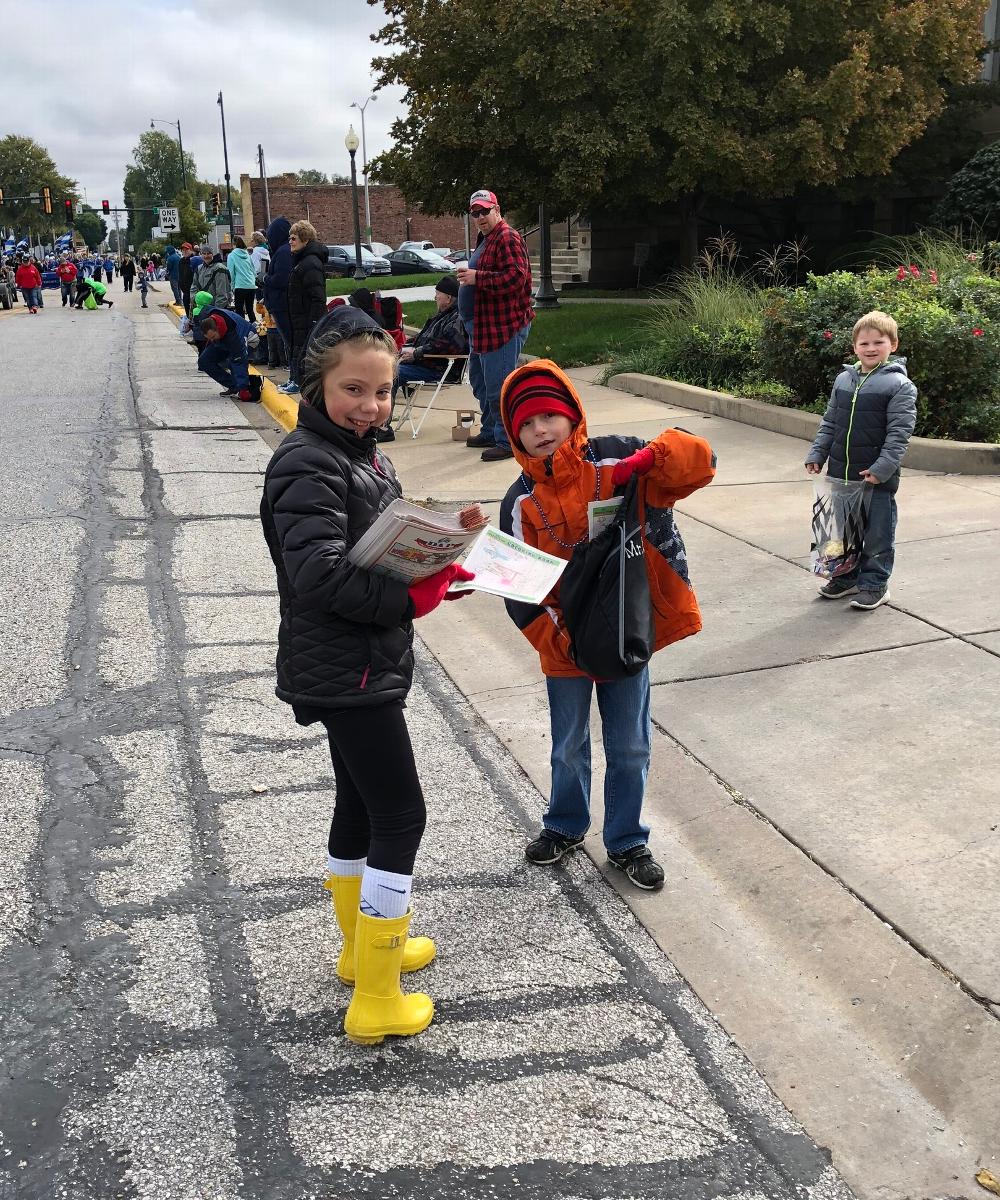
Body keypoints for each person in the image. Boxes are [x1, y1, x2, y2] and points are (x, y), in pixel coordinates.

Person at [259, 306, 476, 1045]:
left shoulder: (364, 454)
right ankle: (379, 997)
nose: (371, 405)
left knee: (358, 806)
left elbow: (376, 542)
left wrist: (441, 556)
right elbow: (318, 576)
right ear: (317, 382)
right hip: (343, 665)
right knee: (401, 816)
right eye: (354, 389)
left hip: (360, 661)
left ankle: (361, 952)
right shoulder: (305, 460)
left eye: (383, 391)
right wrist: (414, 594)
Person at [497, 360, 716, 890]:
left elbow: (698, 465)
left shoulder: (617, 457)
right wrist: (561, 639)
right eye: (527, 423)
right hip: (563, 643)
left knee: (631, 744)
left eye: (550, 415)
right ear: (514, 434)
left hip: (625, 630)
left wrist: (653, 457)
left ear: (574, 417)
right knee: (566, 743)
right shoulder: (520, 502)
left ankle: (626, 839)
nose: (540, 430)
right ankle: (566, 825)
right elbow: (520, 591)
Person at [805, 310, 917, 611]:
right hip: (841, 472)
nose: (870, 348)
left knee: (877, 533)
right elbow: (830, 422)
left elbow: (899, 435)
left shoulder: (899, 386)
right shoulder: (844, 379)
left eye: (878, 342)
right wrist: (818, 453)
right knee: (843, 532)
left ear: (893, 344)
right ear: (854, 347)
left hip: (876, 478)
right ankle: (846, 577)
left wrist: (881, 469)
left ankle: (875, 585)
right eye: (864, 343)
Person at [457, 189, 534, 462]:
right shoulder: (486, 239)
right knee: (479, 383)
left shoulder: (508, 237)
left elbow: (515, 279)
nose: (480, 217)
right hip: (481, 327)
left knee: (499, 386)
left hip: (502, 326)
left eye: (484, 211)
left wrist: (478, 278)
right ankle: (490, 430)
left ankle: (506, 440)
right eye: (475, 213)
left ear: (497, 210)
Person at [284, 220, 329, 398]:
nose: (290, 241)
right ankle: (295, 379)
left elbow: (317, 296)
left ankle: (299, 381)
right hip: (299, 317)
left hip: (307, 318)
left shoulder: (310, 263)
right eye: (290, 238)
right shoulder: (302, 261)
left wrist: (313, 321)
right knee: (297, 349)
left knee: (304, 352)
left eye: (293, 238)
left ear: (305, 240)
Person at [196, 303, 260, 402]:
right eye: (209, 338)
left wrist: (243, 389)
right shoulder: (207, 320)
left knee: (234, 362)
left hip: (250, 337)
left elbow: (239, 362)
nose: (211, 340)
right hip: (222, 340)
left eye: (212, 337)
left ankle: (242, 387)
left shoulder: (233, 337)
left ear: (218, 329)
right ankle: (233, 385)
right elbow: (211, 338)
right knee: (204, 361)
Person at [263, 218, 294, 391]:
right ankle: (293, 377)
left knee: (290, 343)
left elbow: (282, 279)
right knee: (288, 342)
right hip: (279, 304)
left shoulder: (282, 252)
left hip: (282, 305)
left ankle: (295, 377)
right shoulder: (282, 251)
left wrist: (265, 279)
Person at [226, 235, 257, 321]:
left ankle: (243, 330)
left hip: (240, 285)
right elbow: (253, 270)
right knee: (250, 309)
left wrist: (232, 287)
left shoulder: (231, 256)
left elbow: (231, 273)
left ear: (233, 244)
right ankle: (255, 329)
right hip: (251, 285)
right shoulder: (247, 254)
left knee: (239, 310)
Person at [195, 245, 233, 310]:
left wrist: (216, 311)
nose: (206, 256)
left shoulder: (220, 269)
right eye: (204, 254)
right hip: (203, 308)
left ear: (212, 254)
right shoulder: (199, 268)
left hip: (216, 308)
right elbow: (194, 286)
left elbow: (222, 294)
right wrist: (195, 301)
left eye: (208, 253)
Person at [178, 243, 200, 314]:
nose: (184, 251)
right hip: (185, 292)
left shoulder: (195, 260)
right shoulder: (181, 261)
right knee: (187, 312)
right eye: (183, 250)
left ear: (191, 250)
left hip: (194, 291)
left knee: (194, 313)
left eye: (186, 249)